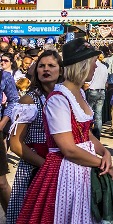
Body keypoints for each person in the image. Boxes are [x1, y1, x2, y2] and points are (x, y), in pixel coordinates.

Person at [18, 38, 113, 224]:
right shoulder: (58, 99)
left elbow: (85, 133)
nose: (96, 67)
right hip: (66, 171)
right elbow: (68, 149)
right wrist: (102, 164)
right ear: (82, 66)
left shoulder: (79, 93)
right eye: (93, 63)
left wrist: (104, 152)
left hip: (83, 166)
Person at [7, 49, 62, 224]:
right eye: (41, 66)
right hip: (35, 168)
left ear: (60, 70)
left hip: (61, 167)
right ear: (36, 70)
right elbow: (15, 144)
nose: (46, 69)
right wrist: (46, 167)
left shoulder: (64, 97)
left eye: (51, 65)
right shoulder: (29, 100)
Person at [0, 52, 20, 212]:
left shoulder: (4, 76)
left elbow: (14, 100)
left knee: (1, 183)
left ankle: (12, 217)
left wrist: (3, 123)